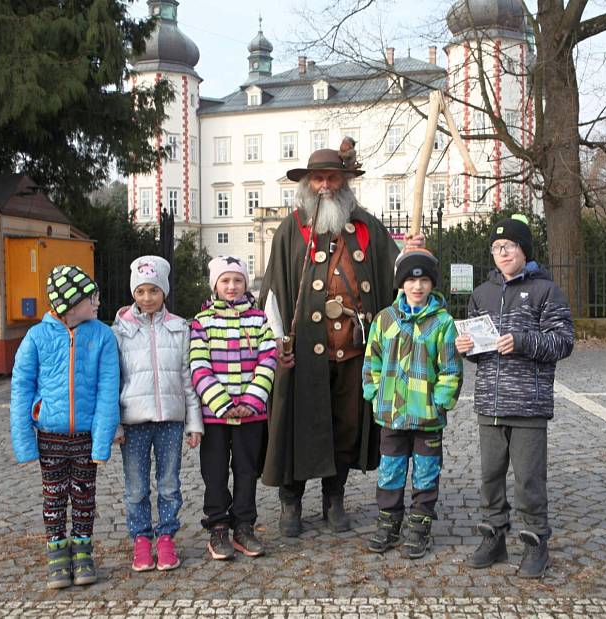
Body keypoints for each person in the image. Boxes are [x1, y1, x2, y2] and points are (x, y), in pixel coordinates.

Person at [259, 147, 423, 537]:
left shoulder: (365, 226)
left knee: (345, 427)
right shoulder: (290, 229)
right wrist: (274, 341)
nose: (326, 186)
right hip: (301, 353)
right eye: (319, 179)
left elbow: (397, 274)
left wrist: (412, 254)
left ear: (345, 182)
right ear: (306, 183)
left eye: (333, 178)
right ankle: (291, 501)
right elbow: (272, 293)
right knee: (297, 426)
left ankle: (335, 497)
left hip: (353, 351)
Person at [455, 215, 574, 579]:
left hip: (528, 405)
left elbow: (563, 341)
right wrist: (467, 348)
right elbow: (478, 351)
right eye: (496, 248)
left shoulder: (546, 291)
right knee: (490, 476)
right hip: (489, 403)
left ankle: (537, 543)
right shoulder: (481, 294)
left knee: (528, 479)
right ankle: (494, 537)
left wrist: (522, 342)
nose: (501, 253)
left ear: (524, 249)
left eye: (508, 246)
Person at [10, 265, 119, 589]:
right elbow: (21, 387)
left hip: (85, 436)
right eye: (92, 298)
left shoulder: (102, 335)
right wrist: (25, 443)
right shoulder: (37, 337)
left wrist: (101, 442)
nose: (98, 303)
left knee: (85, 497)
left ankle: (83, 549)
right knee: (54, 497)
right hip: (50, 435)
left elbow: (107, 390)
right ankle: (57, 553)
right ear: (70, 305)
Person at [362, 249, 463, 559]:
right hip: (392, 413)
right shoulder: (385, 319)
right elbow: (372, 360)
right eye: (410, 280)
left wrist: (440, 401)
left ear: (432, 284)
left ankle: (419, 524)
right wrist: (375, 391)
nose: (417, 287)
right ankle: (389, 521)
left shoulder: (442, 323)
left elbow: (450, 368)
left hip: (427, 415)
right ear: (401, 284)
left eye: (423, 281)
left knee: (425, 471)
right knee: (390, 470)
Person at [112, 255, 203, 572]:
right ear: (133, 293)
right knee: (136, 486)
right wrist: (114, 425)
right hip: (133, 422)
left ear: (164, 291)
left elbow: (186, 377)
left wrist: (194, 422)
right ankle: (141, 540)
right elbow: (114, 379)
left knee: (168, 484)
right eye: (140, 291)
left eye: (153, 291)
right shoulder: (120, 331)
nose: (147, 298)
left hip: (170, 421)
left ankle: (166, 538)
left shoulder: (179, 328)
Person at [190, 256, 277, 560]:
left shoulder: (258, 320)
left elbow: (268, 361)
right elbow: (198, 366)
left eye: (237, 280)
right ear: (215, 285)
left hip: (251, 413)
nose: (231, 286)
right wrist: (223, 403)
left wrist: (251, 401)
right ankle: (217, 527)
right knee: (214, 472)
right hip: (216, 415)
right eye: (225, 281)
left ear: (245, 283)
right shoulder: (202, 322)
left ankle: (244, 524)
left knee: (246, 469)